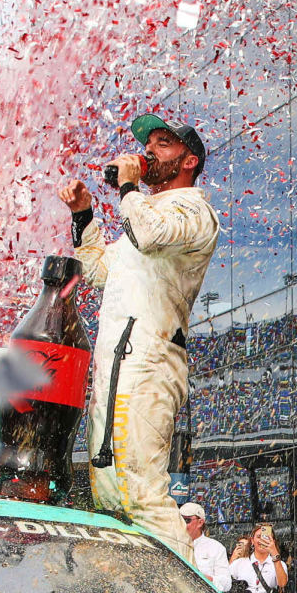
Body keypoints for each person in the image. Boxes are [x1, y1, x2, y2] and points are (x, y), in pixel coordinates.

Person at [57, 113, 219, 564]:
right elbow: (96, 272)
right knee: (109, 493)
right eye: (147, 144)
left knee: (142, 494)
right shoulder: (141, 219)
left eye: (162, 144)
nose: (148, 151)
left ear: (189, 161)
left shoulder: (194, 211)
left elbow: (150, 234)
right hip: (117, 367)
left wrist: (128, 187)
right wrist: (84, 215)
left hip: (148, 362)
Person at [180, 502, 231, 593]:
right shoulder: (172, 544)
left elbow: (227, 583)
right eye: (179, 520)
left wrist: (204, 578)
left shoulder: (216, 548)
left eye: (186, 520)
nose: (181, 524)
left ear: (200, 522)